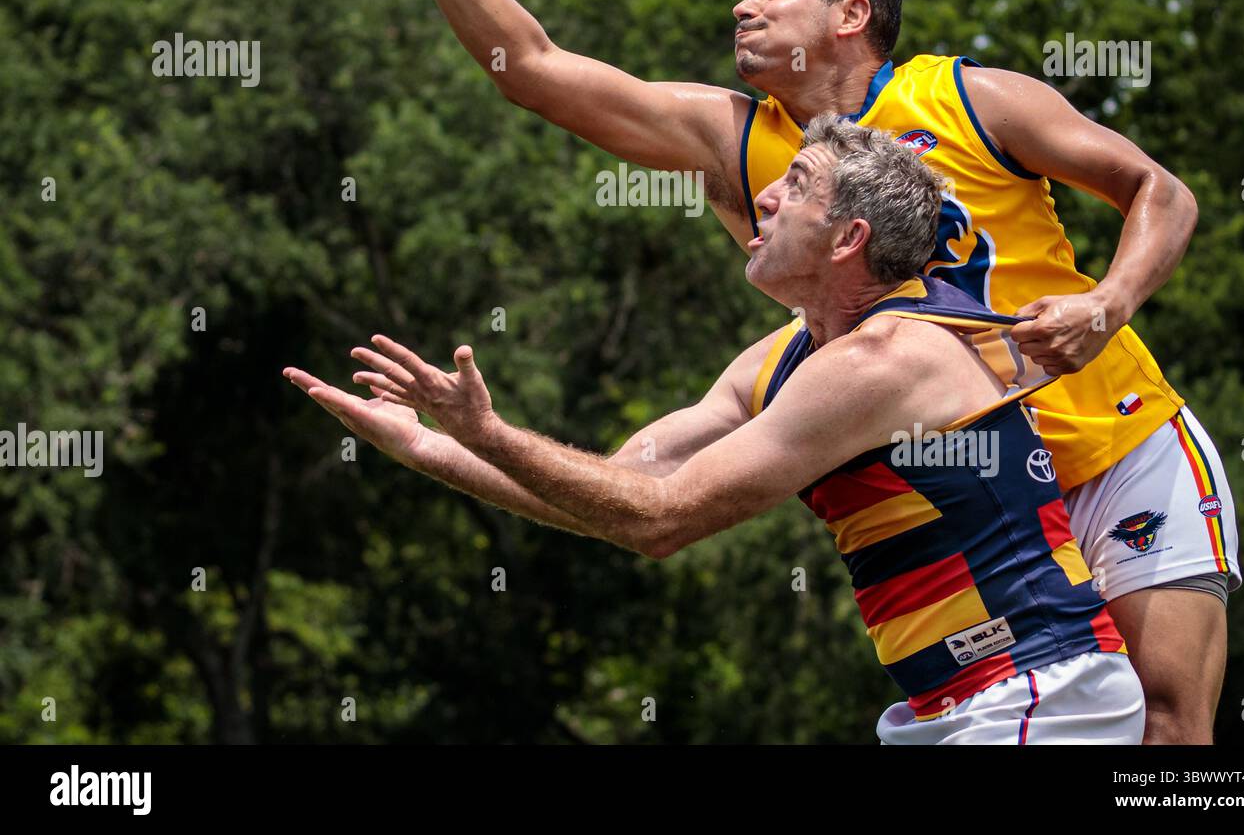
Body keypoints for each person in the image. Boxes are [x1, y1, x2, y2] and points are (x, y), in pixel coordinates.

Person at [352, 0, 1240, 744]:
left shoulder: (970, 97)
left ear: (852, 13)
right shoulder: (736, 140)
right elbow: (533, 69)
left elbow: (1160, 191)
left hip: (1115, 434)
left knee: (1170, 727)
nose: (745, 4)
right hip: (933, 447)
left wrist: (1108, 303)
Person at [285, 118, 1145, 744]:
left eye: (797, 183)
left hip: (1039, 692)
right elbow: (614, 494)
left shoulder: (884, 357)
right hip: (961, 706)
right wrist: (436, 445)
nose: (763, 194)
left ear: (850, 239)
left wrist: (487, 432)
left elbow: (661, 522)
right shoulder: (782, 359)